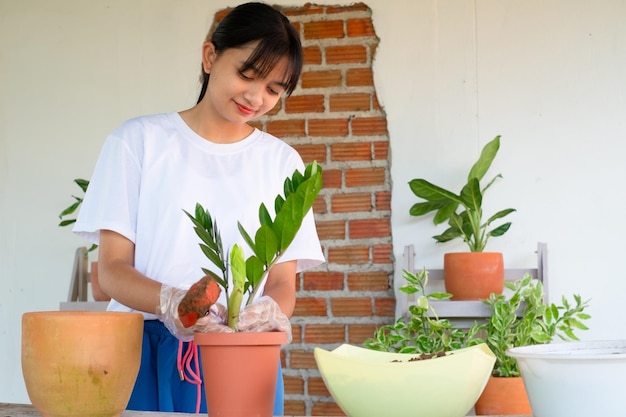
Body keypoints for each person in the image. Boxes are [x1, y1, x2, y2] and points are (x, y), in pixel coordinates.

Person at [73, 2, 324, 414]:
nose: (255, 96)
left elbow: (282, 283)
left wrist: (262, 313)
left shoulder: (282, 163)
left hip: (242, 354)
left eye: (274, 89)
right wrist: (170, 302)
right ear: (210, 57)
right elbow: (112, 270)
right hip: (144, 350)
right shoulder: (137, 142)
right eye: (247, 74)